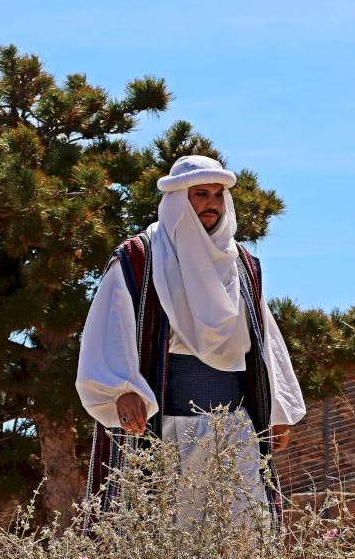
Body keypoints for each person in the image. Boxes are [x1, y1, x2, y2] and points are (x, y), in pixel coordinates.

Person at [76, 155, 306, 527]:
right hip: (165, 427)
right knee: (166, 537)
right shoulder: (140, 258)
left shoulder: (243, 264)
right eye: (201, 194)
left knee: (245, 536)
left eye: (218, 194)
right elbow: (110, 328)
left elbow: (265, 341)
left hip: (235, 429)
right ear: (179, 199)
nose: (212, 203)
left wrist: (277, 413)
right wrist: (121, 389)